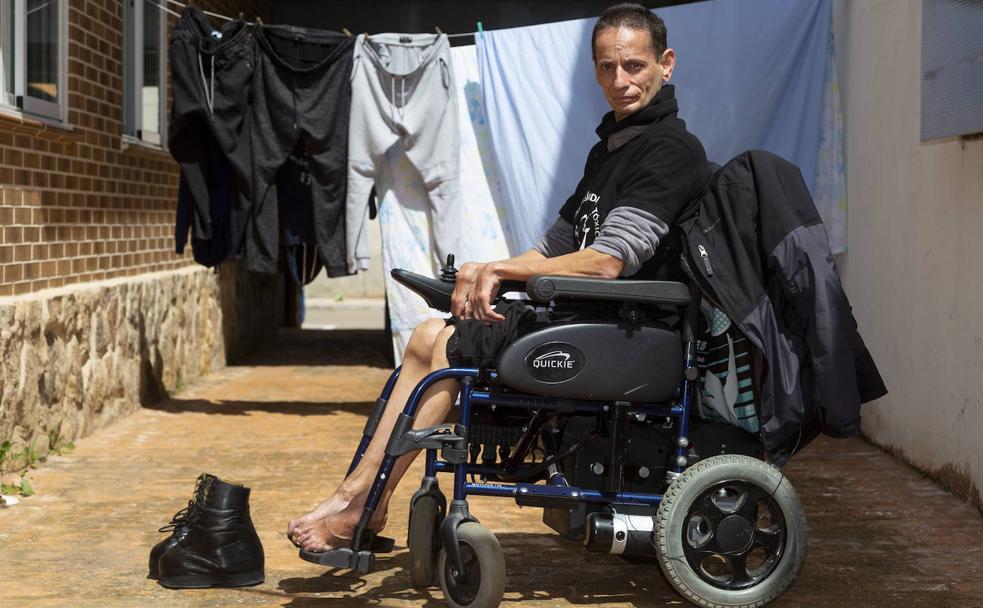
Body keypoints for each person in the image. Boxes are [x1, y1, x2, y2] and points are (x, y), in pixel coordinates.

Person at [288, 2, 711, 552]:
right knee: (424, 335)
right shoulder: (608, 150)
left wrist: (500, 271)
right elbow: (552, 249)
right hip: (584, 315)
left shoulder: (671, 150)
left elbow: (609, 260)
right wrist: (484, 268)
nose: (620, 81)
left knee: (448, 348)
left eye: (633, 66)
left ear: (666, 64)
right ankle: (360, 498)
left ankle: (358, 507)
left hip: (627, 329)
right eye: (606, 67)